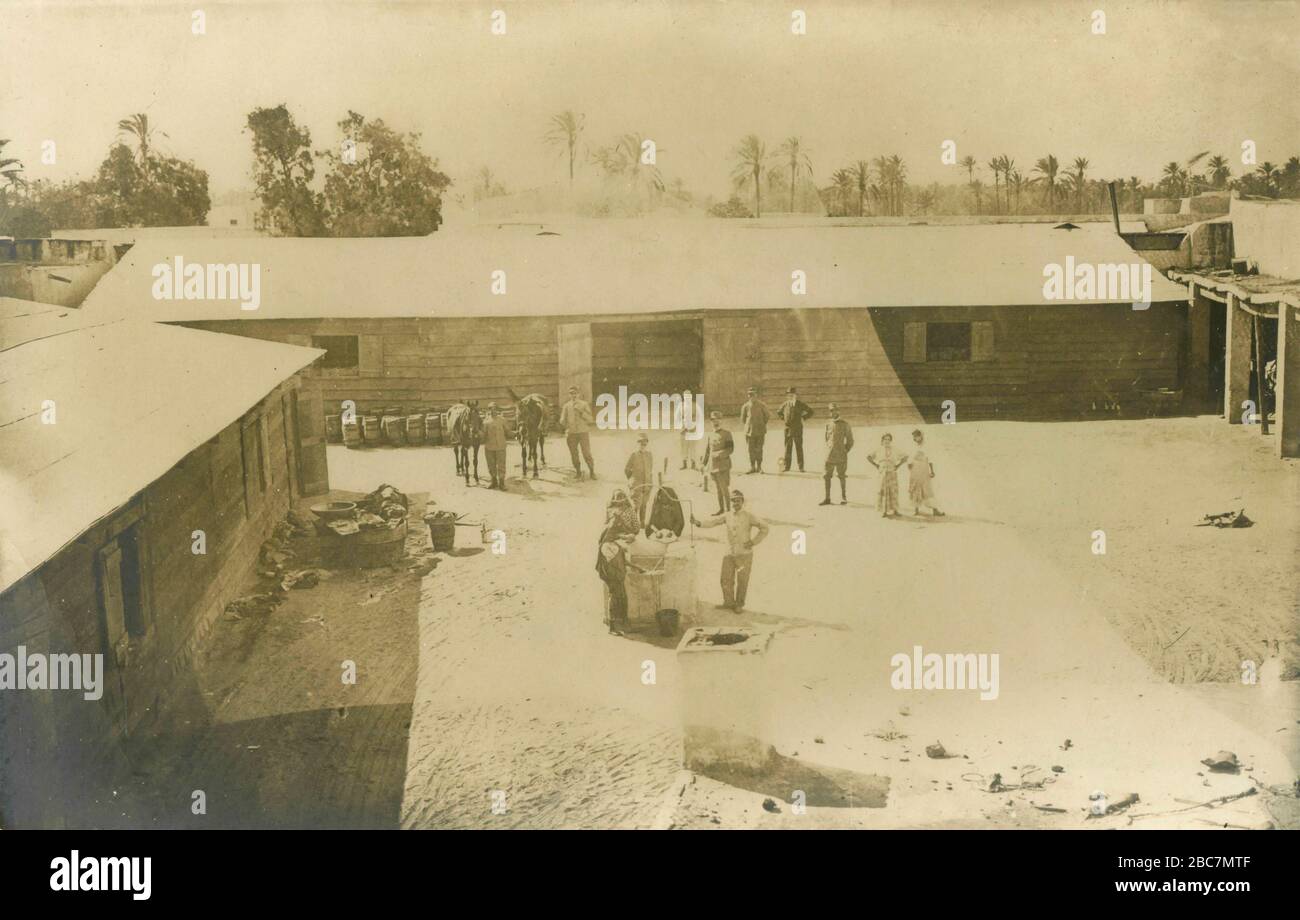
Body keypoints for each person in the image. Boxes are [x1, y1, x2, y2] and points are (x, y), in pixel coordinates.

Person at [691, 489, 769, 613]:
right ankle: (728, 602)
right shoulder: (727, 515)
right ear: (730, 502)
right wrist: (698, 523)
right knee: (725, 579)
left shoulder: (749, 516)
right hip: (729, 553)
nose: (735, 503)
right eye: (733, 501)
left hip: (745, 554)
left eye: (738, 501)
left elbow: (765, 528)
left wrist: (753, 542)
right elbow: (713, 522)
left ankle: (739, 604)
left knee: (742, 580)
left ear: (742, 502)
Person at [559, 384, 597, 480]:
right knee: (574, 454)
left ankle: (592, 472)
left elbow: (590, 419)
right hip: (571, 434)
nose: (573, 395)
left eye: (575, 393)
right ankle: (578, 472)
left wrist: (581, 412)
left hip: (583, 432)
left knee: (586, 453)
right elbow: (562, 420)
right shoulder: (566, 406)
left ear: (578, 394)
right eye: (571, 394)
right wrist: (566, 426)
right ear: (569, 395)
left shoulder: (584, 404)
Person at [821, 403, 854, 506]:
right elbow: (827, 439)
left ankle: (843, 497)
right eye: (830, 410)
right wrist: (830, 448)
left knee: (842, 476)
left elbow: (850, 441)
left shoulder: (845, 424)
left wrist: (844, 451)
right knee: (826, 476)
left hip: (841, 455)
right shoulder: (828, 424)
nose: (832, 412)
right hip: (830, 455)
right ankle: (827, 498)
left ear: (838, 411)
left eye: (834, 410)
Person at [907, 429, 945, 517]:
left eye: (918, 436)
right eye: (915, 436)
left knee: (927, 489)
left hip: (924, 469)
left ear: (921, 436)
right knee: (915, 488)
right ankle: (916, 510)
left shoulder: (926, 446)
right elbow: (909, 458)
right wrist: (909, 465)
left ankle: (935, 510)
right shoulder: (912, 446)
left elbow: (930, 459)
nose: (916, 438)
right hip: (915, 469)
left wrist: (932, 471)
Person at [868, 433, 906, 518]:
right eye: (885, 439)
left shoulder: (895, 449)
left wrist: (898, 465)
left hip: (892, 471)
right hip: (882, 471)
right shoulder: (878, 449)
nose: (887, 441)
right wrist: (876, 465)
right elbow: (869, 457)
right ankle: (884, 511)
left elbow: (905, 457)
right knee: (883, 490)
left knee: (893, 490)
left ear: (890, 441)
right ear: (882, 440)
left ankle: (895, 510)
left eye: (889, 439)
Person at [777, 386, 813, 473]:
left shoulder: (800, 404)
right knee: (787, 448)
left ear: (796, 395)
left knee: (799, 447)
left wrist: (804, 417)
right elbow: (778, 412)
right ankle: (787, 467)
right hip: (788, 429)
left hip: (797, 429)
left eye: (792, 395)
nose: (790, 397)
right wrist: (784, 419)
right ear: (787, 396)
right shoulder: (785, 404)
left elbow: (811, 411)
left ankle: (801, 467)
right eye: (789, 395)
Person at [704, 411, 734, 514]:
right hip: (713, 466)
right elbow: (708, 451)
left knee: (724, 489)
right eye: (713, 420)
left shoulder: (727, 434)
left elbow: (730, 449)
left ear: (721, 421)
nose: (715, 422)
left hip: (723, 466)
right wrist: (703, 464)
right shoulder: (710, 434)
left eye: (717, 420)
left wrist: (720, 454)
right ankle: (721, 509)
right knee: (718, 489)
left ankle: (729, 511)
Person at [624, 433, 655, 525]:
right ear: (637, 443)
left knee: (644, 505)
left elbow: (650, 469)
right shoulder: (634, 455)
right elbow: (627, 469)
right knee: (636, 505)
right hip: (636, 485)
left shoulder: (649, 455)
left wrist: (650, 481)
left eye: (644, 444)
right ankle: (633, 524)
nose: (642, 445)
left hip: (647, 484)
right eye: (641, 443)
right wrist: (632, 480)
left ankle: (642, 523)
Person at [739, 386, 770, 474]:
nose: (751, 396)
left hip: (760, 431)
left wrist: (760, 424)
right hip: (749, 432)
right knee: (750, 449)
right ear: (748, 396)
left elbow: (767, 416)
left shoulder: (762, 405)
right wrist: (749, 426)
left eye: (753, 394)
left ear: (756, 395)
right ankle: (752, 466)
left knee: (759, 449)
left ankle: (759, 467)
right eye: (749, 395)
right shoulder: (745, 406)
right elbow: (743, 419)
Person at [482, 402, 509, 490]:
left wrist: (517, 434)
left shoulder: (502, 420)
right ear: (489, 410)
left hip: (501, 446)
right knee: (491, 465)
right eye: (491, 409)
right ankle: (494, 481)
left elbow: (508, 431)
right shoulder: (486, 421)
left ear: (497, 410)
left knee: (501, 464)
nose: (493, 411)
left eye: (495, 409)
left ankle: (501, 483)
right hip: (489, 447)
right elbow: (483, 434)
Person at [678, 389, 700, 470]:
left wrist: (693, 426)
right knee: (684, 447)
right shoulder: (681, 406)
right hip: (683, 430)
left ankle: (693, 464)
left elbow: (698, 417)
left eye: (688, 396)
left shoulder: (695, 405)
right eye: (685, 396)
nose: (687, 398)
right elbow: (678, 418)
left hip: (692, 429)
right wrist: (682, 428)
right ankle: (684, 464)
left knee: (692, 447)